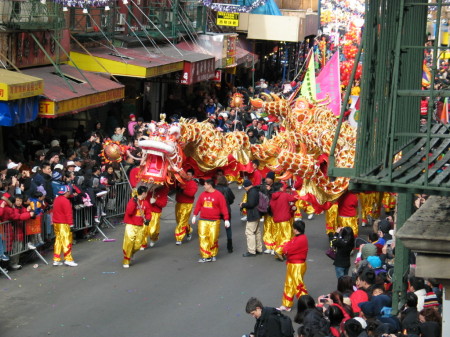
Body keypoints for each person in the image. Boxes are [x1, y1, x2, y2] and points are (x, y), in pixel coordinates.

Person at [191, 179, 229, 263]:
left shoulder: (219, 195)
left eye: (205, 184)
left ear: (210, 185)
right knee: (203, 237)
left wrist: (226, 219)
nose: (204, 186)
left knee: (213, 238)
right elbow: (198, 206)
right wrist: (194, 215)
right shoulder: (202, 195)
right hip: (203, 220)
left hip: (214, 221)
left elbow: (223, 207)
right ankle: (205, 256)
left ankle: (213, 254)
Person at [278, 220, 308, 312]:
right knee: (289, 284)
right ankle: (286, 304)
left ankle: (306, 305)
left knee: (298, 285)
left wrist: (283, 248)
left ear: (295, 229)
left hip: (297, 265)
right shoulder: (299, 237)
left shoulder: (300, 239)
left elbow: (289, 249)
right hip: (293, 264)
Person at [122, 186, 151, 268]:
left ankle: (131, 253)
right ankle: (126, 260)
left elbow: (148, 212)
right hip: (131, 225)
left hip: (140, 226)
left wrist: (148, 219)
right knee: (129, 243)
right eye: (146, 193)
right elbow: (129, 212)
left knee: (138, 245)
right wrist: (134, 203)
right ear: (144, 193)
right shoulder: (133, 200)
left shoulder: (145, 203)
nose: (147, 194)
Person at [270, 182, 298, 261]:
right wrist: (297, 192)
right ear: (280, 188)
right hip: (284, 219)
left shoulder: (272, 197)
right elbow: (294, 198)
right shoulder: (284, 195)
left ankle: (280, 254)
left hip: (276, 219)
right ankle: (279, 251)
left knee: (280, 237)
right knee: (287, 237)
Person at [52, 185, 77, 267]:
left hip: (56, 222)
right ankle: (68, 259)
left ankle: (56, 259)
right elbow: (68, 213)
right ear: (67, 192)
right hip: (64, 223)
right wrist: (71, 224)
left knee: (58, 241)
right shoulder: (65, 201)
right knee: (66, 241)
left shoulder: (56, 199)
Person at [174, 169, 198, 245]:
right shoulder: (180, 181)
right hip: (179, 203)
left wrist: (182, 191)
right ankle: (189, 230)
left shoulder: (193, 183)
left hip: (187, 205)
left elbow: (191, 194)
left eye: (189, 174)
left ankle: (179, 238)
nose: (187, 175)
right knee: (179, 221)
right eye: (186, 174)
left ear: (192, 176)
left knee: (182, 221)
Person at [141, 184, 169, 249]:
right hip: (147, 211)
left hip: (156, 213)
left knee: (153, 230)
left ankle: (153, 238)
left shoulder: (163, 191)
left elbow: (163, 204)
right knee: (143, 229)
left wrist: (155, 201)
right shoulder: (149, 188)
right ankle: (143, 244)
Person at [240, 179, 262, 257]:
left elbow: (251, 204)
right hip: (257, 214)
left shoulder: (251, 192)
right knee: (257, 231)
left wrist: (243, 205)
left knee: (249, 232)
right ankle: (259, 248)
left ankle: (251, 250)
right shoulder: (255, 190)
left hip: (253, 214)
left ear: (246, 186)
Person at [215, 175, 235, 253]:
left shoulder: (215, 189)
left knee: (215, 227)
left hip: (217, 211)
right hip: (226, 210)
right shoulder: (227, 189)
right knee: (228, 228)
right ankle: (229, 246)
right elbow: (232, 198)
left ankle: (214, 244)